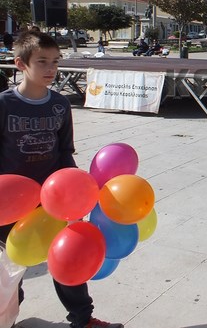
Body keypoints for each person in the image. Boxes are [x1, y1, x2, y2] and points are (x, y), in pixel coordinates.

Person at [0, 30, 123, 328]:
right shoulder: (4, 105)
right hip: (10, 203)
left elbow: (65, 151)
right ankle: (8, 317)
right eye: (42, 61)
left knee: (68, 259)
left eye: (55, 61)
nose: (51, 68)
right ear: (21, 64)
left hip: (54, 201)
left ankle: (83, 318)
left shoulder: (60, 105)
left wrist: (76, 195)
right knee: (11, 268)